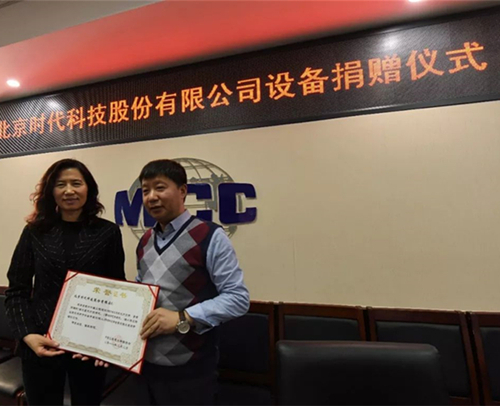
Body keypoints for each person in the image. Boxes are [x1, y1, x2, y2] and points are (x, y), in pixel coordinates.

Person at [5, 158, 126, 406]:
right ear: (51, 191)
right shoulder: (34, 232)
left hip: (89, 346)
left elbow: (117, 289)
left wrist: (110, 343)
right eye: (61, 184)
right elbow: (17, 290)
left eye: (76, 183)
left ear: (89, 189)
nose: (69, 190)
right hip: (40, 342)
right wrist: (28, 334)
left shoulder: (108, 232)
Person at [136, 159, 250, 405]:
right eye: (145, 191)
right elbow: (142, 293)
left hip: (192, 369)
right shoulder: (145, 241)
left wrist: (182, 318)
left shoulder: (210, 235)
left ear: (182, 191)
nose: (151, 197)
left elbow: (238, 298)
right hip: (146, 366)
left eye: (160, 187)